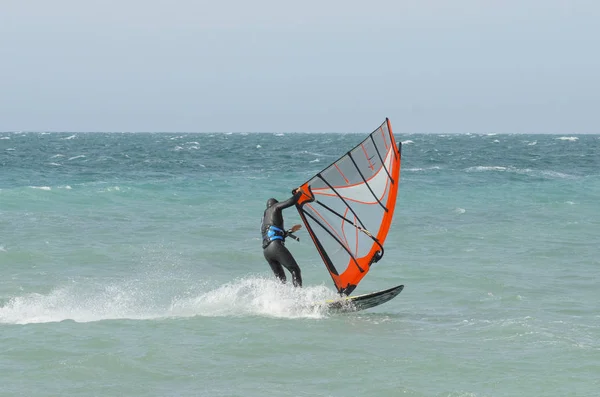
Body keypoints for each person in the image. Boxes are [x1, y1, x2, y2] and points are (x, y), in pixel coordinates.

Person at [261, 189, 304, 287]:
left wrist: (290, 231)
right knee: (295, 270)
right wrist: (301, 192)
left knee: (281, 279)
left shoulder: (264, 220)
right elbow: (291, 201)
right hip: (275, 246)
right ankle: (299, 297)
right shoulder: (275, 207)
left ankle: (282, 300)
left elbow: (275, 233)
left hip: (267, 251)